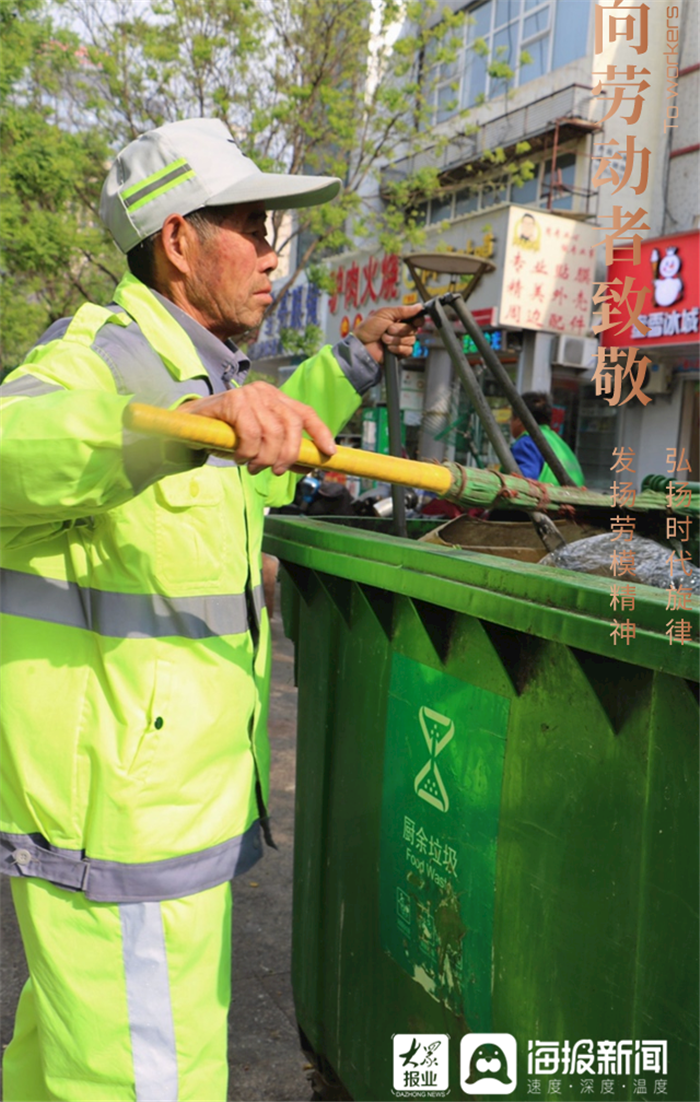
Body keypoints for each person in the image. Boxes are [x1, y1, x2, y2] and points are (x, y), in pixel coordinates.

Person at [0, 117, 421, 1102]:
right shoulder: (100, 361)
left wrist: (349, 362)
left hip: (163, 813)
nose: (273, 252)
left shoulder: (204, 376)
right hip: (124, 829)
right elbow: (20, 446)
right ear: (179, 241)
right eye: (251, 224)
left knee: (66, 1065)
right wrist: (187, 427)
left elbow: (245, 485)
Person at [509, 391, 585, 486]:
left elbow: (521, 483)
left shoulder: (527, 443)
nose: (510, 422)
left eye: (511, 418)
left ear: (519, 419)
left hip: (548, 499)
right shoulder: (560, 443)